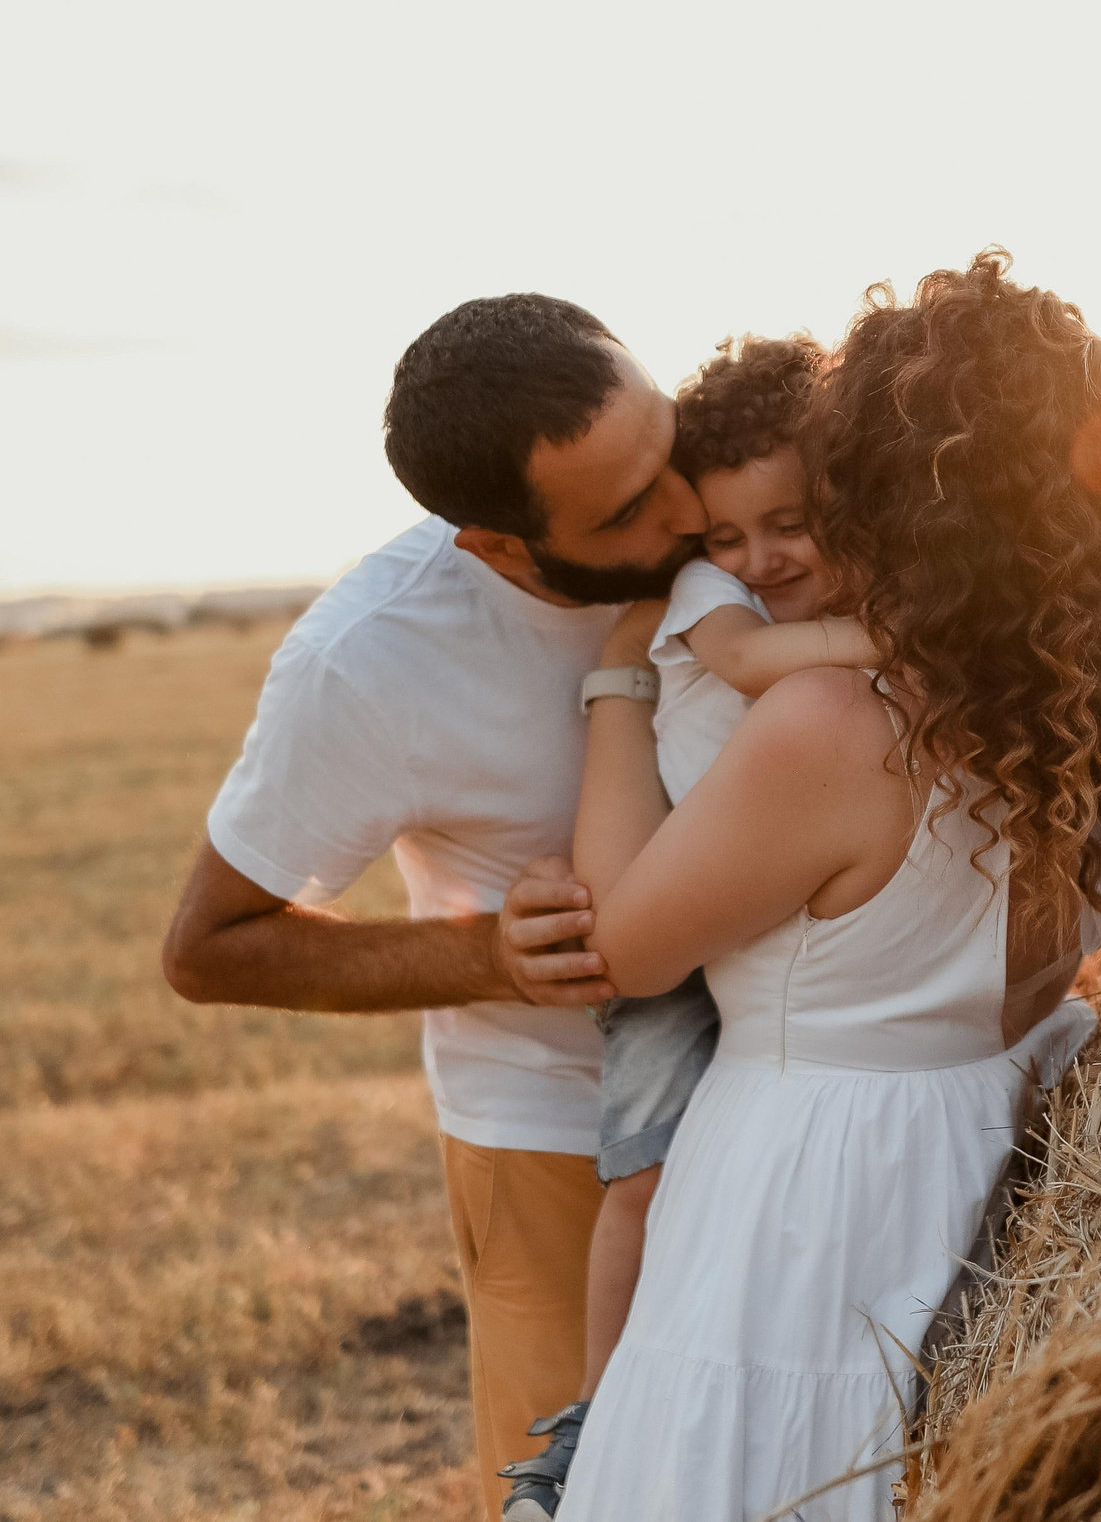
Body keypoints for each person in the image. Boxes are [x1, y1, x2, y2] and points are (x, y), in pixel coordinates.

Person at [555, 251, 1101, 1521]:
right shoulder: (1084, 693)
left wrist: (615, 684)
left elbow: (626, 953)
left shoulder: (830, 722)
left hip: (816, 1208)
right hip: (994, 1141)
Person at [160, 293, 704, 1521]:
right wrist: (488, 955)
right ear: (498, 548)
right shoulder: (368, 660)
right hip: (558, 1140)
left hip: (794, 1093)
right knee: (591, 1493)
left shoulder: (747, 494)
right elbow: (210, 947)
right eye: (625, 511)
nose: (687, 510)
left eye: (670, 449)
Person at [501, 334, 880, 1521]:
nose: (756, 556)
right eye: (726, 535)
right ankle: (595, 1420)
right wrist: (912, 642)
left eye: (789, 524)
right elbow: (760, 662)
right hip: (678, 924)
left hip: (761, 942)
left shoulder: (790, 576)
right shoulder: (722, 601)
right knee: (648, 1179)